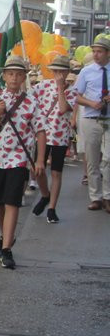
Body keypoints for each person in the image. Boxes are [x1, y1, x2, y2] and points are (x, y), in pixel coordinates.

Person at [0, 55, 46, 269]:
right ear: (4, 76)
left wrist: (40, 160)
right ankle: (4, 236)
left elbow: (41, 131)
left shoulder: (31, 101)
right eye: (11, 74)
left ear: (24, 77)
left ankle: (7, 249)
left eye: (19, 74)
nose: (14, 78)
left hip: (19, 158)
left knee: (12, 201)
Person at [31, 55, 78, 223]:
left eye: (61, 71)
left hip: (60, 136)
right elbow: (28, 98)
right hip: (42, 134)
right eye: (55, 71)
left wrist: (60, 88)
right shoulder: (42, 86)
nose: (58, 74)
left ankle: (52, 207)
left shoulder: (72, 91)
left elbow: (64, 108)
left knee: (57, 173)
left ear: (67, 72)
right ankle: (45, 195)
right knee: (38, 169)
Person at [71, 33, 110, 212]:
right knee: (93, 160)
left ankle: (108, 196)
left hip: (108, 119)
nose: (96, 54)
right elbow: (76, 95)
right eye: (94, 51)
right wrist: (91, 103)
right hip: (91, 118)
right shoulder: (87, 71)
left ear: (108, 53)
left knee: (108, 159)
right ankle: (96, 197)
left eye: (100, 51)